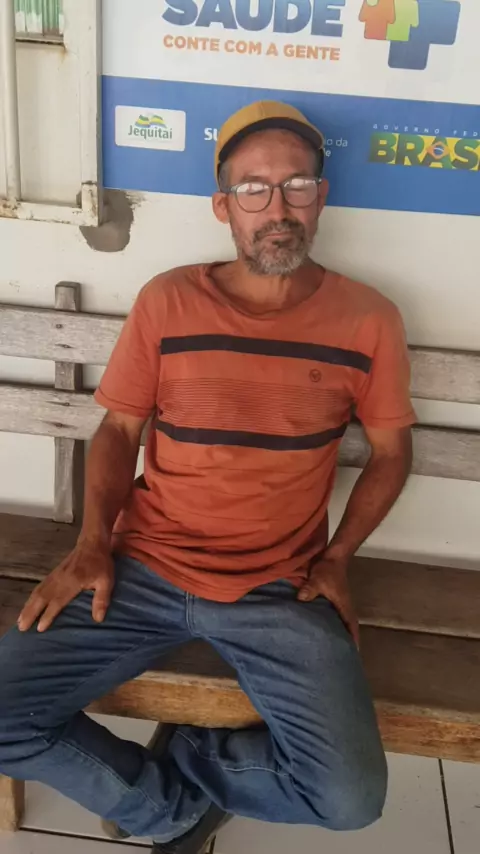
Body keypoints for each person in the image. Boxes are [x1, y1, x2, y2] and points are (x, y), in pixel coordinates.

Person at [0, 101, 415, 854]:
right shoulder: (169, 300)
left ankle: (192, 754)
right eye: (253, 189)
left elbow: (392, 453)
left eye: (296, 185)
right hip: (143, 567)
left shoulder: (369, 319)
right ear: (224, 206)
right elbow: (118, 430)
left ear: (320, 197)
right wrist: (91, 543)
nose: (277, 208)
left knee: (351, 798)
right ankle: (171, 812)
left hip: (281, 587)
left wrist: (337, 559)